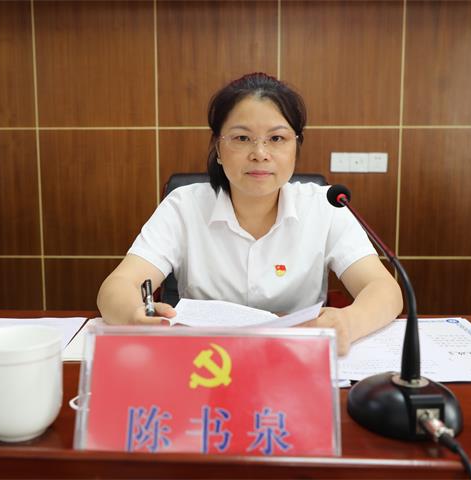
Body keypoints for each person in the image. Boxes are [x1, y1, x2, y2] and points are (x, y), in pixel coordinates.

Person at [97, 72, 402, 355]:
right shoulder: (184, 206)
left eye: (277, 138)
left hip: (296, 360)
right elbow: (117, 286)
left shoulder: (325, 206)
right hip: (205, 363)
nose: (260, 153)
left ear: (296, 147)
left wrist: (350, 322)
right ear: (218, 149)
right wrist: (134, 316)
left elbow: (384, 289)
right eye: (242, 138)